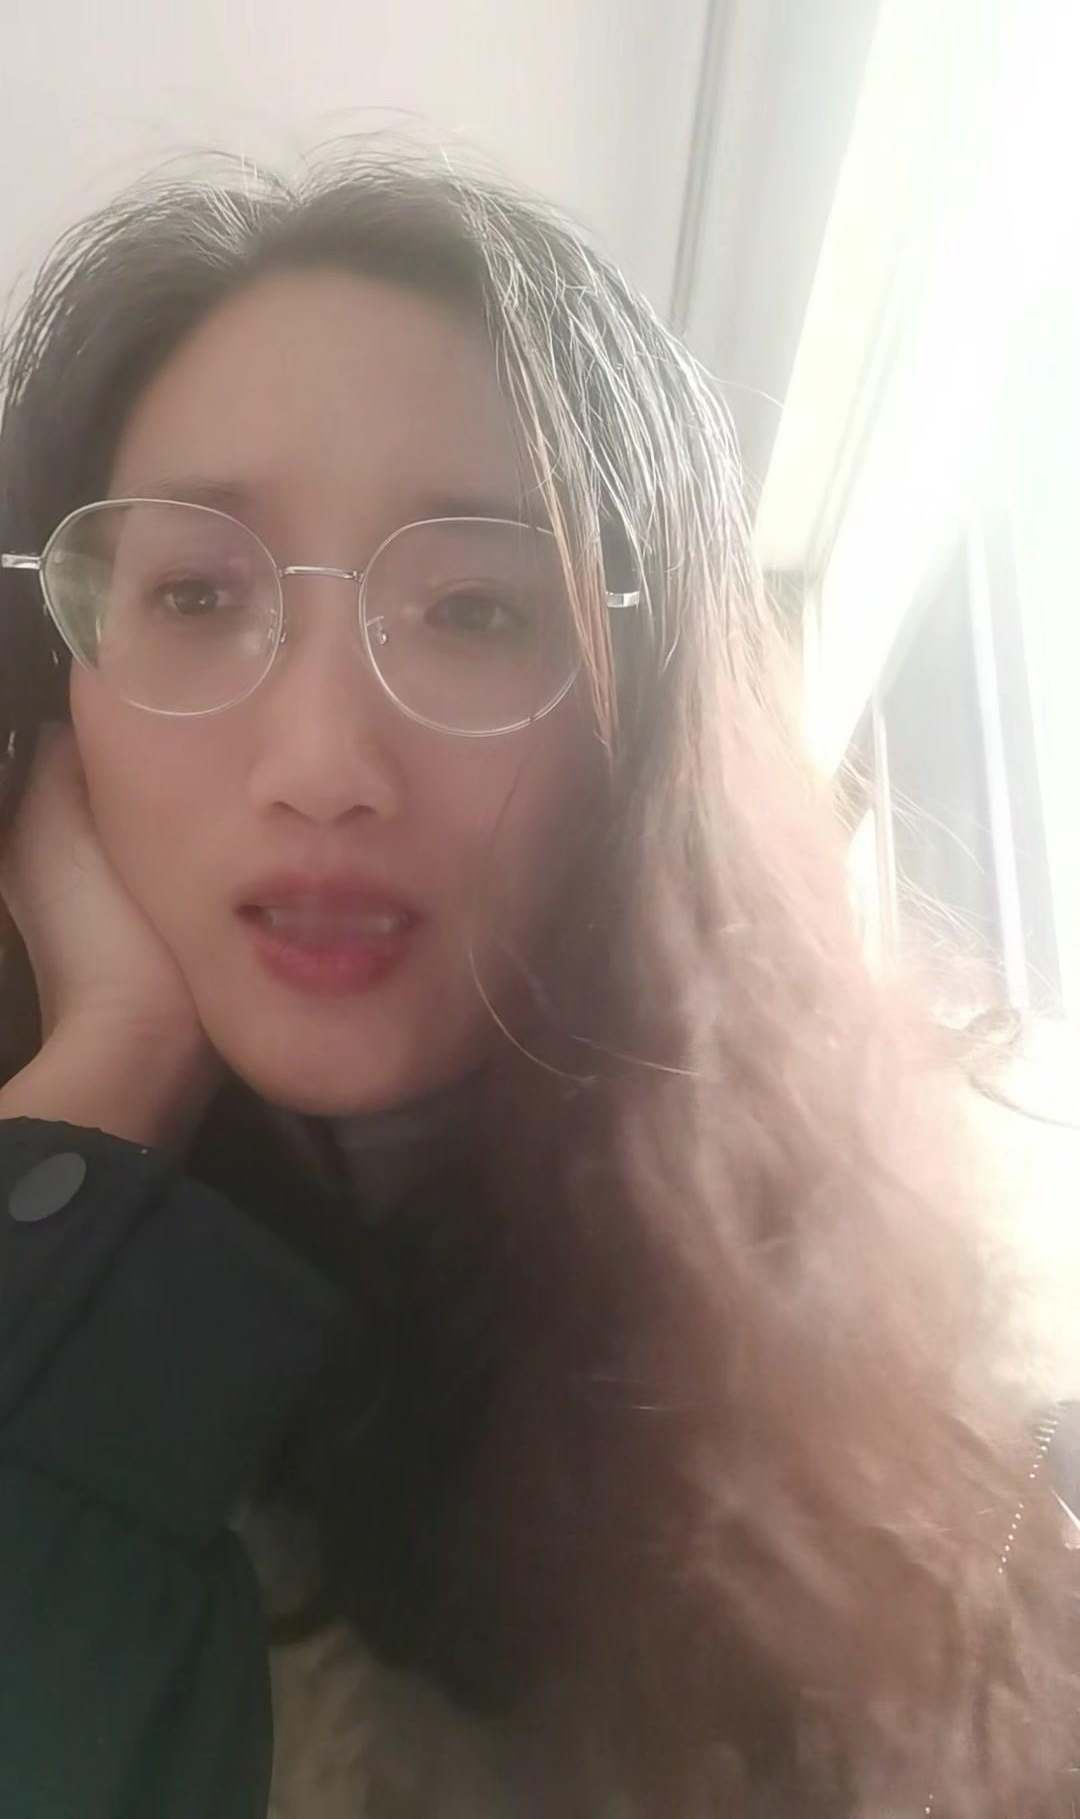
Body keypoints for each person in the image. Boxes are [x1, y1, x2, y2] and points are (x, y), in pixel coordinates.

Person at [0, 149, 1074, 1819]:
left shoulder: (944, 1397)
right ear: (53, 700)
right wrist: (91, 1116)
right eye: (195, 594)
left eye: (477, 610)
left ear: (641, 736)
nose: (324, 766)